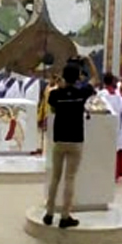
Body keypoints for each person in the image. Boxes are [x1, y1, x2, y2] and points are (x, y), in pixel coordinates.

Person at [43, 63, 92, 228]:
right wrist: (88, 61)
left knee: (55, 177)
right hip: (76, 139)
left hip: (60, 139)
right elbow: (95, 79)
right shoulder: (82, 93)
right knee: (69, 178)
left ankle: (49, 213)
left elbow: (53, 108)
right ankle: (65, 215)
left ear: (63, 76)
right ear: (78, 77)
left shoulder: (55, 94)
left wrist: (61, 85)